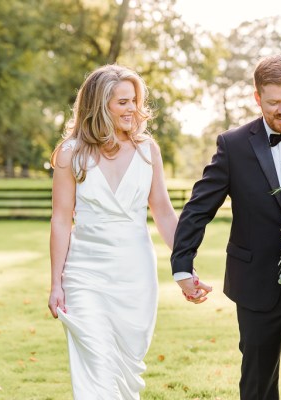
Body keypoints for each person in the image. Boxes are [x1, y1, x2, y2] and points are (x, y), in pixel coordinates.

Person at [171, 55, 281, 399]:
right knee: (257, 385)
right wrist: (182, 266)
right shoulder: (233, 145)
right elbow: (198, 208)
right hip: (255, 286)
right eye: (274, 103)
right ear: (257, 98)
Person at [47, 64, 180, 399]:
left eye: (134, 100)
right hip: (85, 274)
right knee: (96, 363)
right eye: (122, 102)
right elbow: (61, 220)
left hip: (135, 275)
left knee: (124, 369)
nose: (132, 108)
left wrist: (185, 265)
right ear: (98, 104)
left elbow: (163, 211)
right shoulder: (70, 154)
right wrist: (55, 283)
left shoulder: (148, 151)